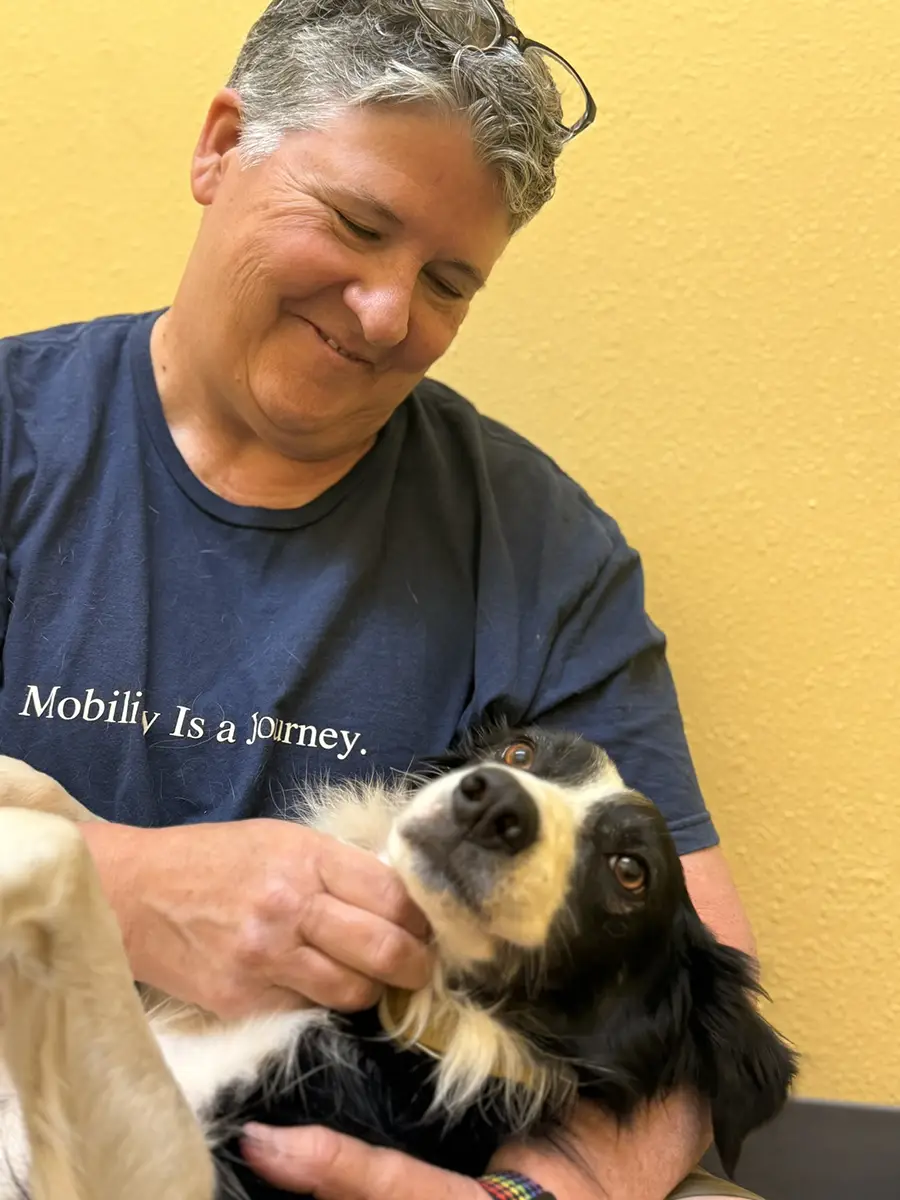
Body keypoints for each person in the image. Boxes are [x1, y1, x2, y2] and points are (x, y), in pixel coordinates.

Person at [0, 2, 767, 1198]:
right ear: (221, 148)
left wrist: (530, 1196)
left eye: (448, 283)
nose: (387, 314)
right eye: (357, 225)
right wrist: (120, 889)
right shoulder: (21, 436)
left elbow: (691, 983)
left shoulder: (540, 548)